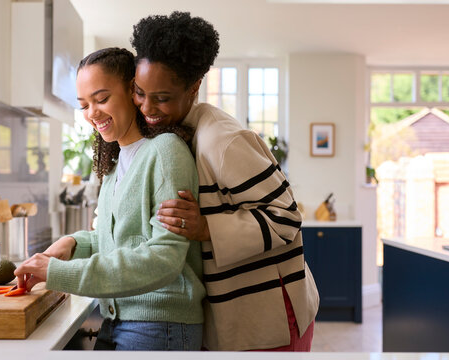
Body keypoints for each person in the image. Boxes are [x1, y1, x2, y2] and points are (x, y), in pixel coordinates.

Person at [131, 12, 319, 351]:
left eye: (162, 97)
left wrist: (206, 228)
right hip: (233, 314)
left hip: (270, 316)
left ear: (194, 87)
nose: (147, 107)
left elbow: (286, 217)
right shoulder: (176, 132)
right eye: (139, 92)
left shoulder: (222, 140)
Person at [14, 47, 205, 351]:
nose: (92, 113)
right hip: (119, 321)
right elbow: (123, 241)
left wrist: (58, 273)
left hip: (160, 326)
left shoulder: (165, 151)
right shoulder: (115, 167)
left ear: (134, 91)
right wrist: (75, 243)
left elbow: (164, 258)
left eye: (101, 99)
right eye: (84, 105)